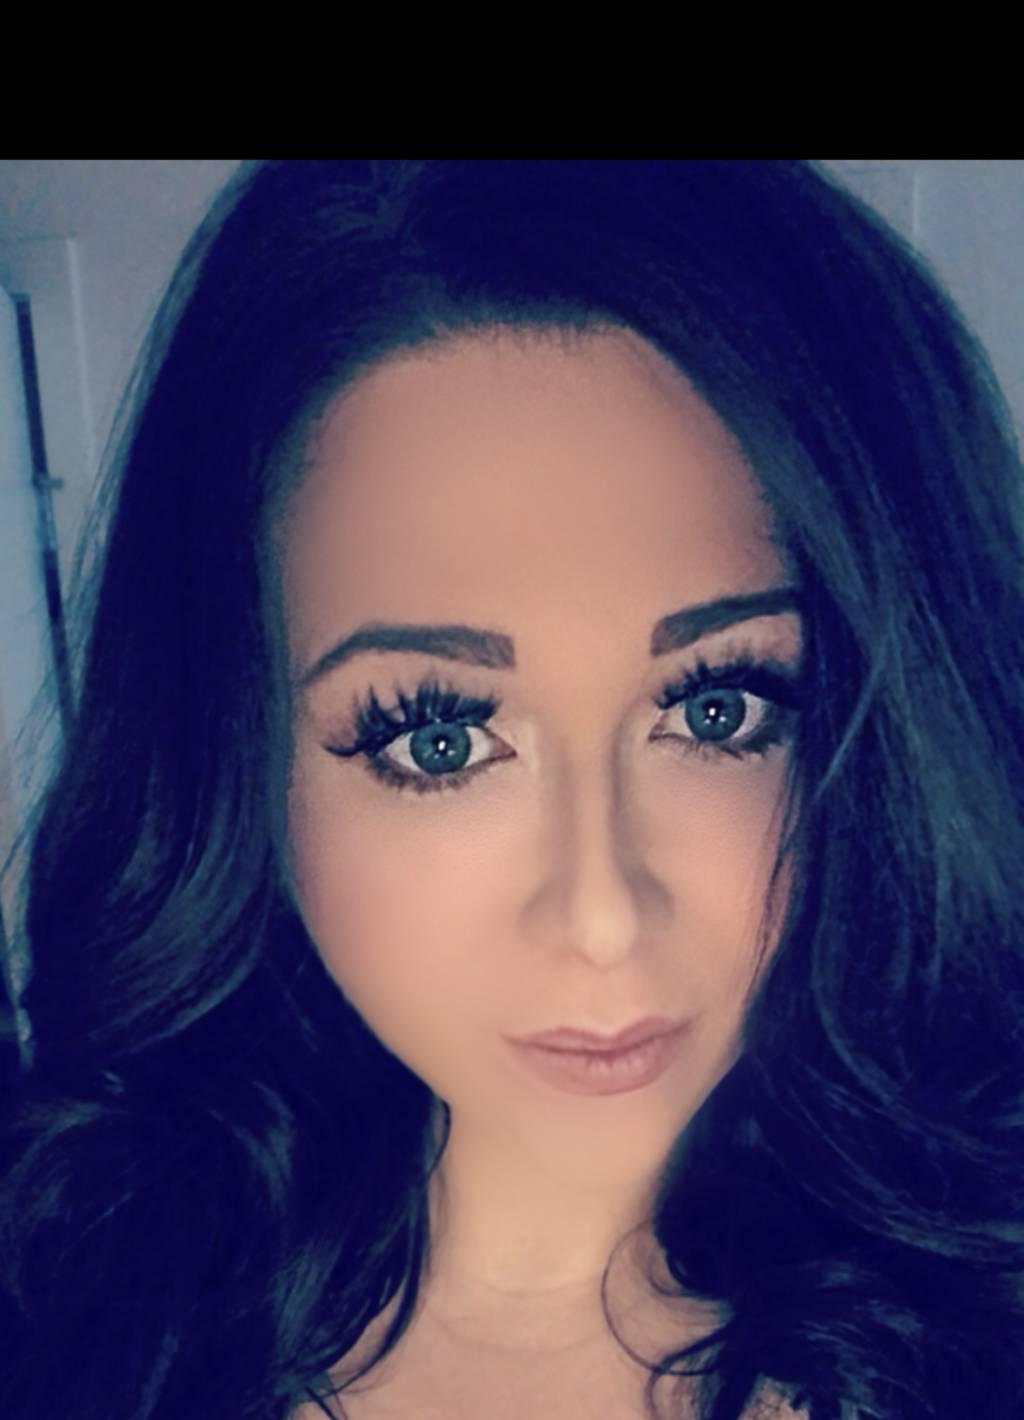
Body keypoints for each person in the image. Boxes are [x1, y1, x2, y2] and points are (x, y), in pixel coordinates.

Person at [0, 160, 1021, 1420]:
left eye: (718, 708)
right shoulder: (74, 1300)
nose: (600, 916)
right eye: (437, 740)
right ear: (234, 759)